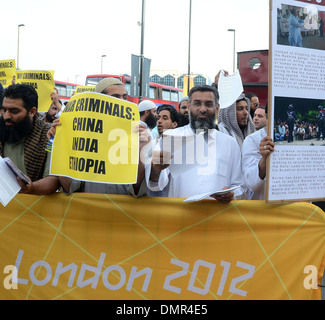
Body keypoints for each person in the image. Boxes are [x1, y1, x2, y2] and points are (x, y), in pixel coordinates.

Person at [146, 85, 246, 204]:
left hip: (217, 217)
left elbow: (239, 185)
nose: (202, 109)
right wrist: (155, 168)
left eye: (208, 104)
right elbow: (155, 184)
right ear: (189, 107)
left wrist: (232, 194)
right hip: (181, 216)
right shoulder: (171, 138)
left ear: (217, 108)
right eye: (197, 103)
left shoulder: (230, 143)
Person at [50, 77, 150, 197]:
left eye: (125, 97)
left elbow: (138, 189)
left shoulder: (138, 133)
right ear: (99, 102)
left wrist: (142, 148)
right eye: (115, 97)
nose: (123, 102)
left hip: (124, 212)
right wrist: (59, 142)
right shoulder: (82, 137)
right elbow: (69, 186)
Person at [0, 83, 59, 194]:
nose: (6, 116)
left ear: (32, 112)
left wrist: (31, 188)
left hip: (31, 207)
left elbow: (53, 179)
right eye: (4, 110)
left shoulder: (48, 135)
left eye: (14, 111)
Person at [242, 105, 275, 200]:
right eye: (255, 115)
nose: (255, 118)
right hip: (262, 209)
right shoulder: (252, 140)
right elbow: (252, 184)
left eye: (260, 116)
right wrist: (264, 159)